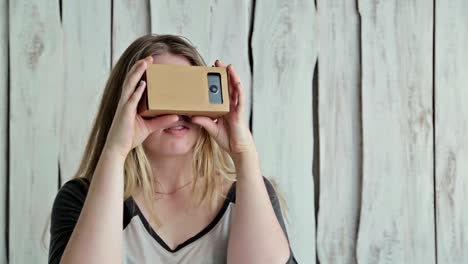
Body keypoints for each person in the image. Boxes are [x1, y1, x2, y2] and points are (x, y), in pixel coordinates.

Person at [48, 34, 297, 263]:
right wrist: (115, 151)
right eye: (164, 91)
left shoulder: (248, 190)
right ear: (125, 104)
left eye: (189, 91)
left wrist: (244, 156)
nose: (178, 112)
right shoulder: (80, 198)